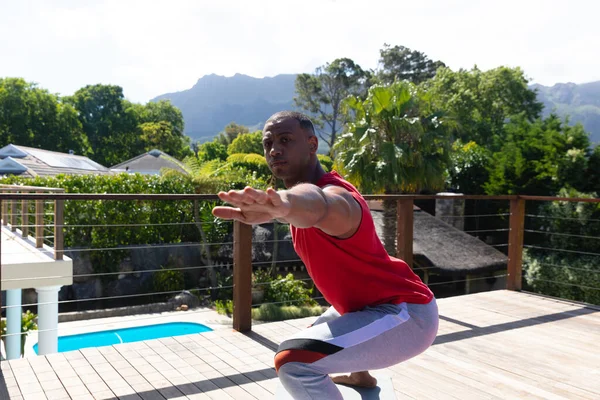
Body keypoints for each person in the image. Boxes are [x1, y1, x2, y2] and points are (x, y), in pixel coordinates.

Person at [212, 111, 439, 400]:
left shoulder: (339, 198)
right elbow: (306, 206)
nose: (274, 150)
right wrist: (286, 207)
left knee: (293, 361)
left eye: (285, 140)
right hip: (365, 306)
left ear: (312, 145)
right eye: (268, 143)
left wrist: (283, 204)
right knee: (311, 339)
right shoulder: (300, 203)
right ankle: (361, 375)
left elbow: (320, 204)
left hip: (407, 315)